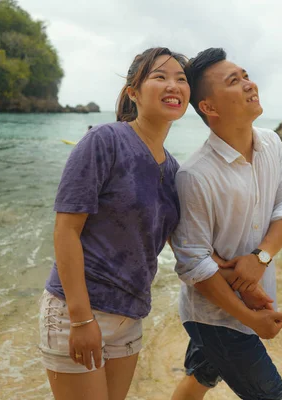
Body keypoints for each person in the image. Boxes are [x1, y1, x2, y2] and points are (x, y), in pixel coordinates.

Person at [38, 47, 189, 400]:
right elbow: (66, 231)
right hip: (76, 311)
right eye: (160, 76)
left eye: (181, 79)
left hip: (130, 317)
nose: (174, 85)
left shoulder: (173, 171)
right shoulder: (105, 141)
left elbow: (182, 245)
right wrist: (80, 319)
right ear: (132, 92)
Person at [170, 48, 282, 400]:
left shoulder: (271, 143)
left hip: (248, 301)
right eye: (234, 81)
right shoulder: (195, 176)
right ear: (209, 107)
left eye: (246, 76)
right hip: (215, 316)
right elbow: (194, 265)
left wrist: (259, 257)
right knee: (269, 393)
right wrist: (250, 318)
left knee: (201, 377)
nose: (249, 85)